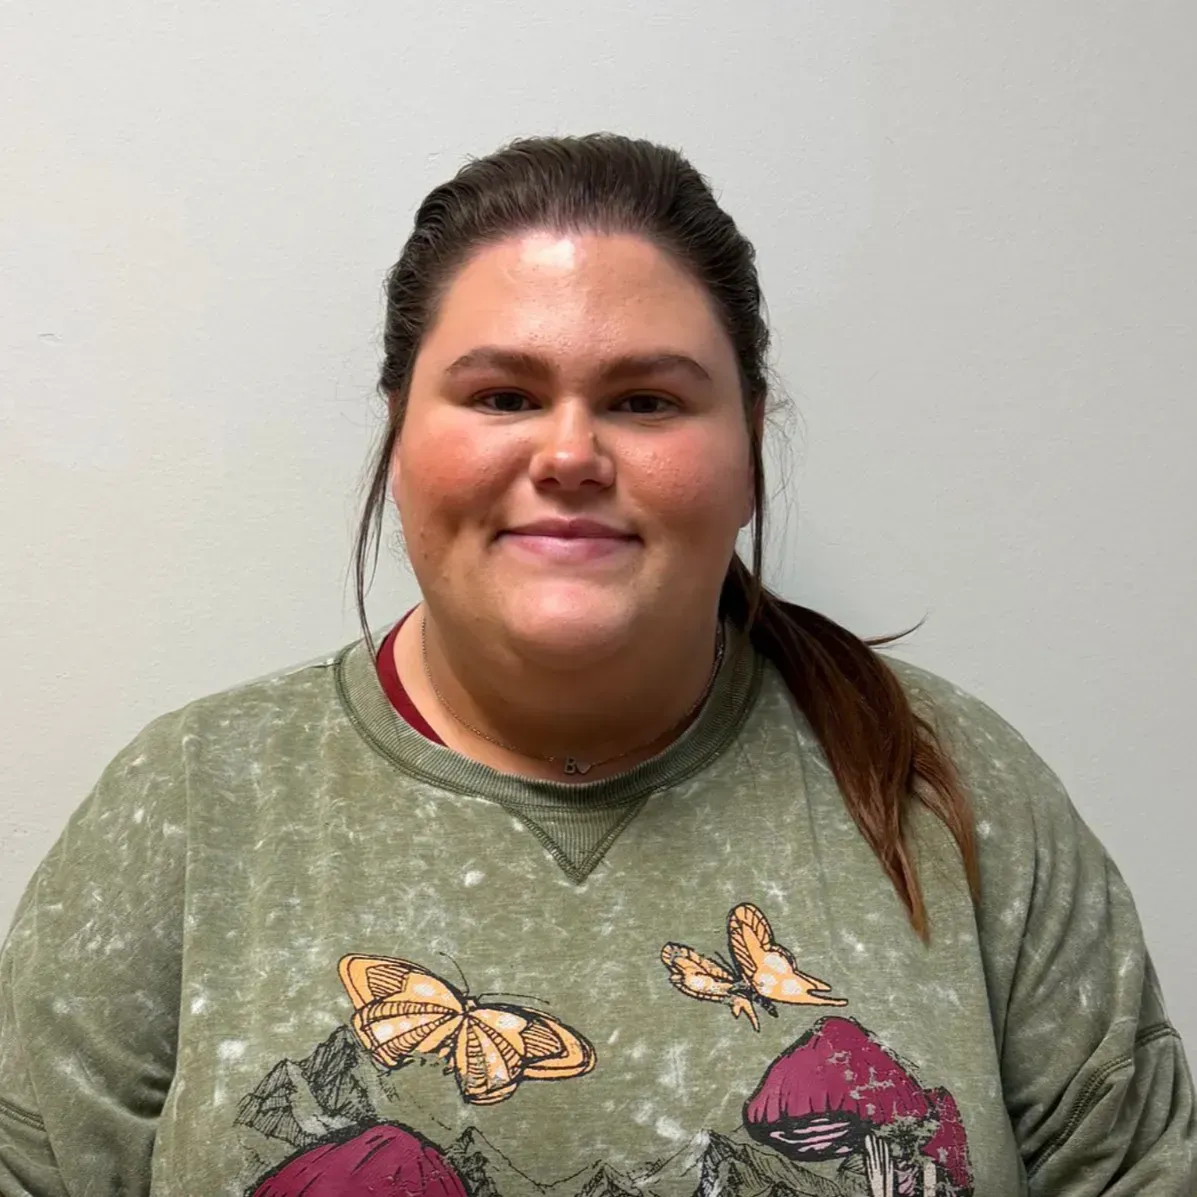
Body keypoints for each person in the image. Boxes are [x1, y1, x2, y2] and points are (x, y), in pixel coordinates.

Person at [0, 134, 1191, 1197]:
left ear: (750, 446)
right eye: (505, 394)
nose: (570, 452)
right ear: (400, 432)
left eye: (644, 401)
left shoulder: (954, 786)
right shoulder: (192, 804)